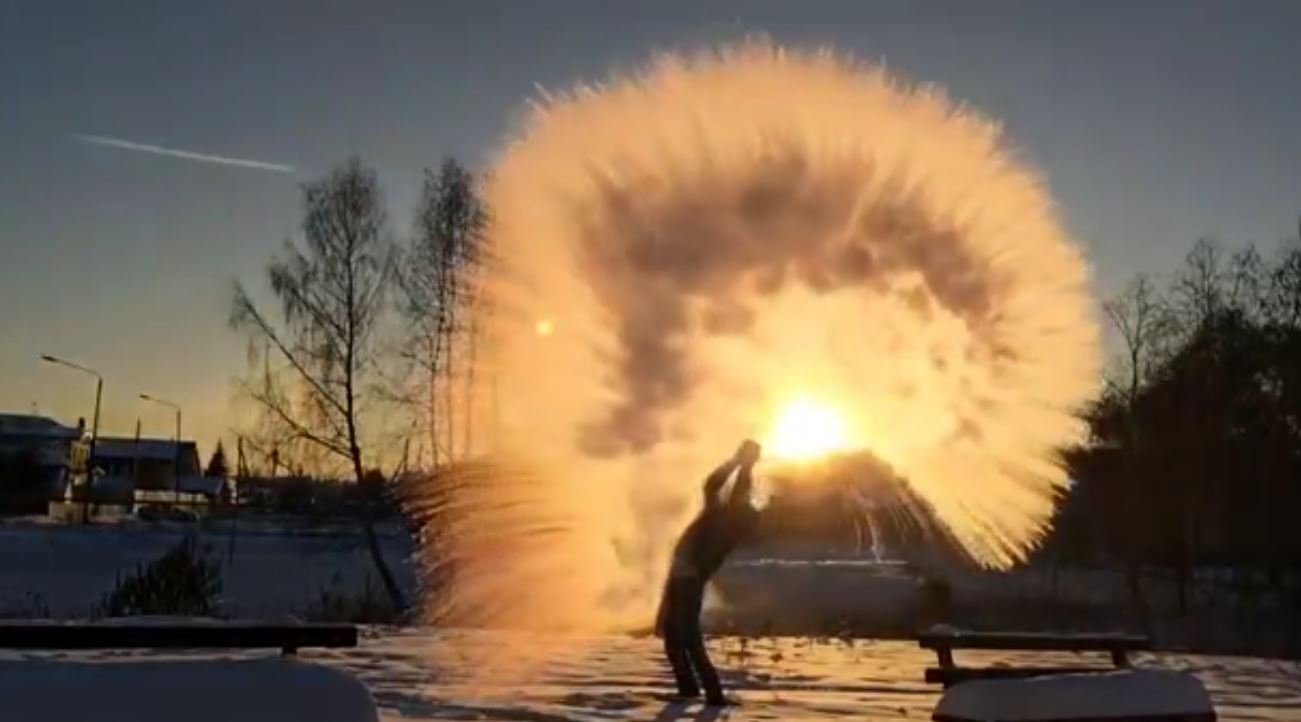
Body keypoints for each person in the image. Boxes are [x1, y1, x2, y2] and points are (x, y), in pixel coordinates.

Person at [657, 439, 763, 706]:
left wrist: (742, 463)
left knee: (687, 638)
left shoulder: (724, 523)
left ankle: (711, 694)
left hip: (687, 580)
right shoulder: (724, 520)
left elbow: (717, 485)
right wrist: (741, 463)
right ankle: (690, 690)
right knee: (675, 637)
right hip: (682, 577)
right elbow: (719, 486)